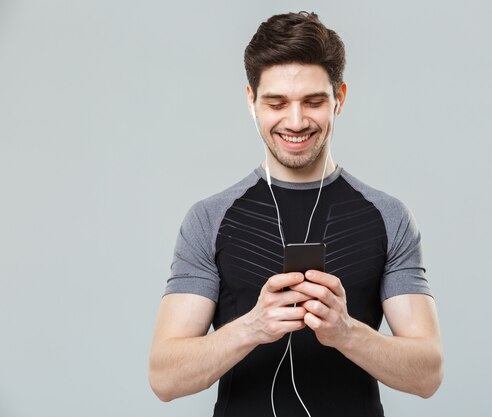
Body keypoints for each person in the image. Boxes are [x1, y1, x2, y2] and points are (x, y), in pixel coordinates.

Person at [149, 11, 443, 417]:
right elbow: (164, 379)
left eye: (313, 101)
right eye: (277, 102)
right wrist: (254, 327)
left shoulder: (388, 216)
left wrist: (345, 332)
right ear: (251, 101)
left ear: (339, 98)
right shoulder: (208, 219)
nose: (296, 120)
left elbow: (427, 374)